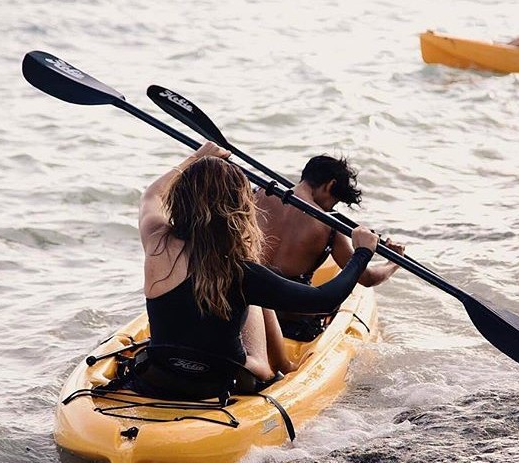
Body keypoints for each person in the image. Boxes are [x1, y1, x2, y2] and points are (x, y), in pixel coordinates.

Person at [138, 142, 378, 385]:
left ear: (180, 196)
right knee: (253, 305)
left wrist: (196, 157)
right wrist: (362, 253)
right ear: (239, 208)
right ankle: (280, 367)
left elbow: (152, 195)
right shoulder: (242, 273)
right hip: (219, 381)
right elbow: (323, 298)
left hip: (160, 373)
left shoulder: (157, 242)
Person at [255, 154, 404, 340]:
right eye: (334, 202)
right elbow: (366, 278)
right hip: (291, 322)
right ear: (330, 185)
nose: (330, 209)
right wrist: (394, 262)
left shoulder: (259, 194)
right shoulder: (328, 227)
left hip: (251, 308)